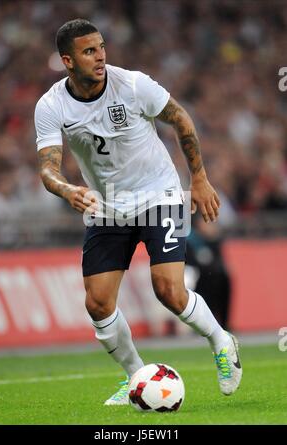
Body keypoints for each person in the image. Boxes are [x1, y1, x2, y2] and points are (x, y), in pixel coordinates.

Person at [34, 18, 242, 405]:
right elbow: (48, 167)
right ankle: (136, 378)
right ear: (67, 60)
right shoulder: (50, 106)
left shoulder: (132, 85)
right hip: (106, 203)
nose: (100, 57)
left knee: (169, 291)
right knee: (97, 303)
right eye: (89, 51)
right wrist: (67, 189)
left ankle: (221, 339)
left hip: (159, 193)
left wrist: (198, 178)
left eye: (101, 47)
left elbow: (180, 118)